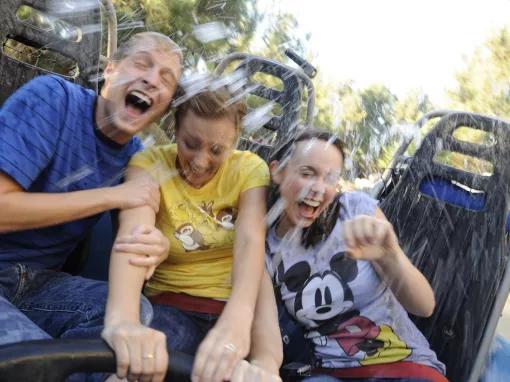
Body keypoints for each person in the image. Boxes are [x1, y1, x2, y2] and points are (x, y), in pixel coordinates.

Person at [0, 31, 181, 370]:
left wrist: (154, 245)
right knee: (30, 362)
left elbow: (135, 231)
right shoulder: (53, 99)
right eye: (142, 64)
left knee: (136, 313)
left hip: (37, 284)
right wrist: (109, 195)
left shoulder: (138, 161)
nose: (151, 79)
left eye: (165, 79)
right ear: (110, 70)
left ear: (164, 107)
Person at [102, 83, 283, 382]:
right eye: (190, 144)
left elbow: (251, 240)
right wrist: (125, 322)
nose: (200, 161)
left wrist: (238, 323)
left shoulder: (250, 169)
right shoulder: (149, 163)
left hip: (237, 306)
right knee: (135, 368)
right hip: (173, 306)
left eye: (216, 150)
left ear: (235, 142)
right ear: (175, 129)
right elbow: (134, 237)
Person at [265, 129, 448, 382]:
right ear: (278, 171)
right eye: (307, 173)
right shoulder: (266, 248)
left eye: (329, 178)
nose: (318, 188)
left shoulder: (354, 210)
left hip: (404, 364)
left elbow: (424, 306)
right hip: (330, 371)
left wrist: (390, 255)